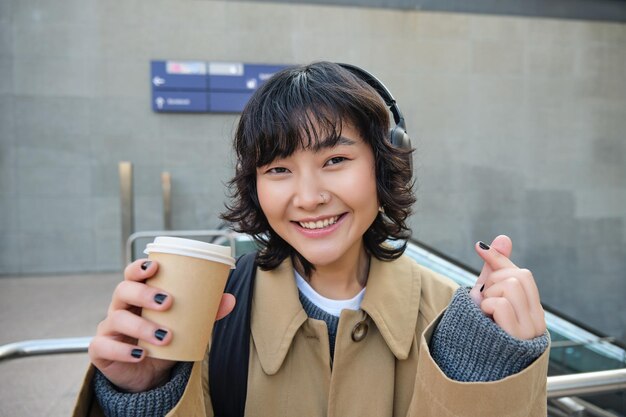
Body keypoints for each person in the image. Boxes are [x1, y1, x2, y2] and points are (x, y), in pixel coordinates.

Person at [73, 62, 550, 417]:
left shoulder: (454, 321)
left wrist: (488, 375)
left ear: (383, 165)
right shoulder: (210, 311)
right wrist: (146, 396)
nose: (307, 197)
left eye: (335, 160)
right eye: (278, 169)